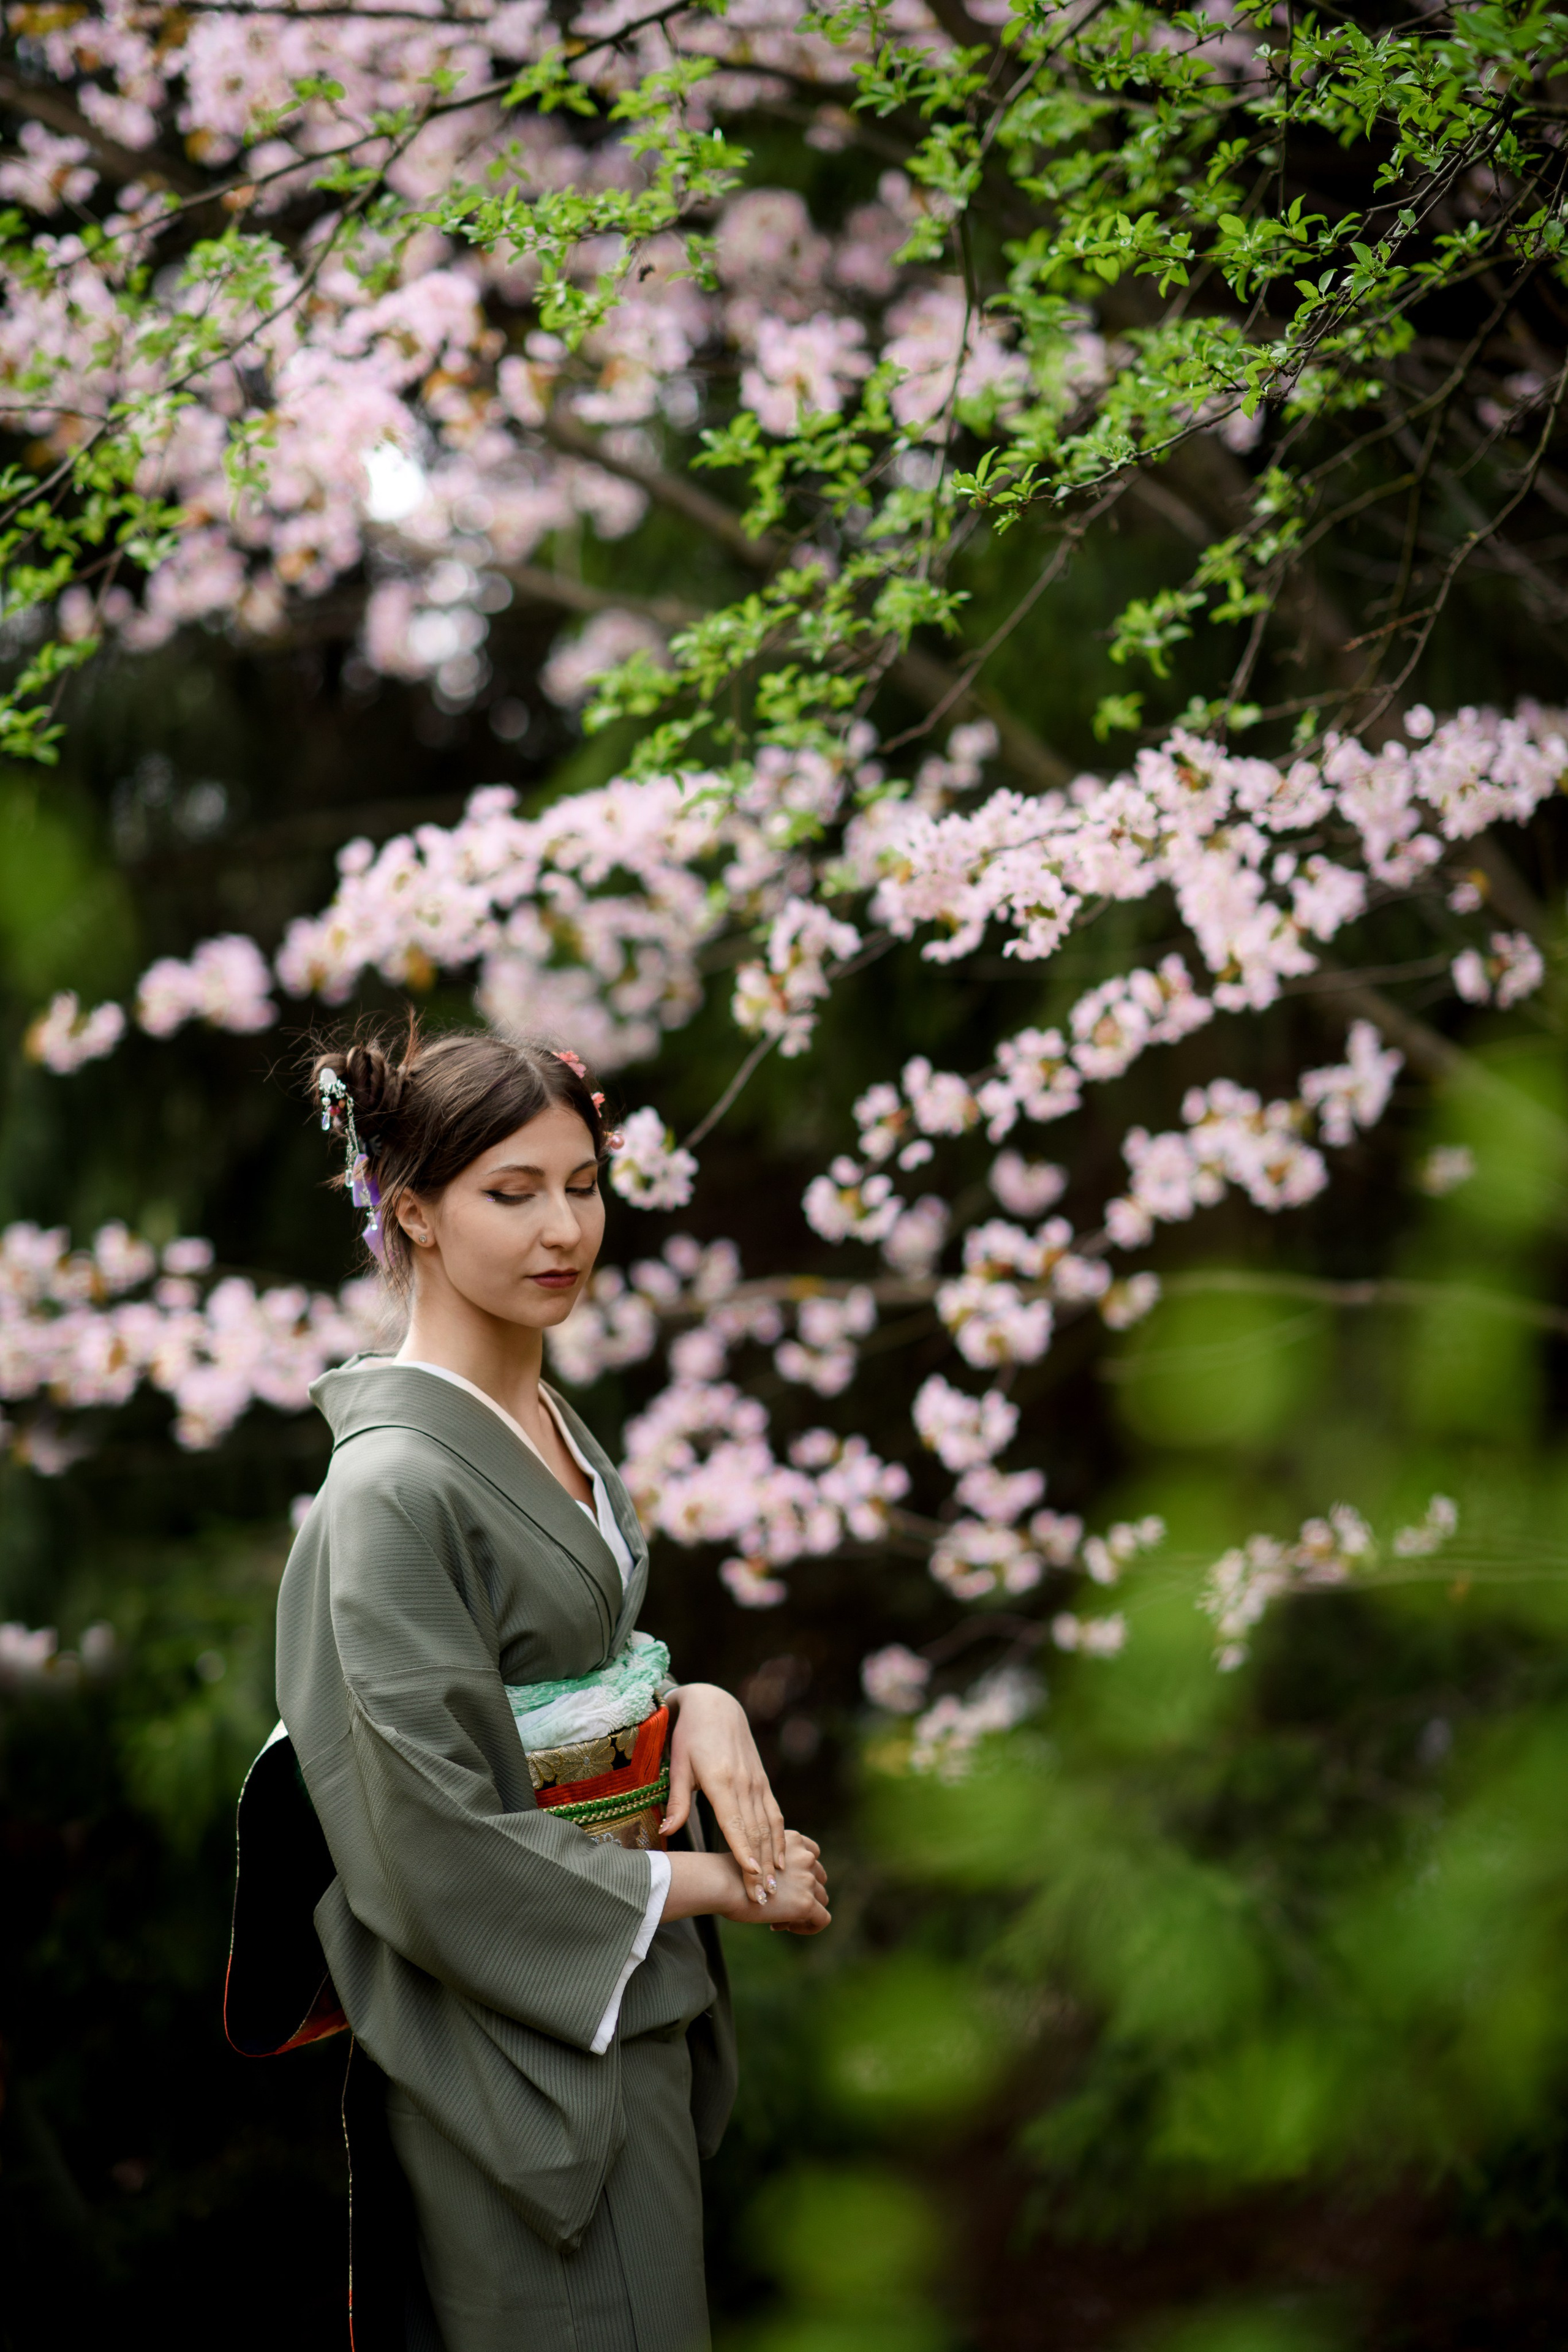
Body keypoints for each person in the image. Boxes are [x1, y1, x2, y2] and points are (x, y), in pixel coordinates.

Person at [232, 1023, 829, 2352]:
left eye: (583, 1184)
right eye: (511, 1192)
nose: (563, 1227)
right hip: (511, 2055)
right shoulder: (389, 1493)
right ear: (413, 1215)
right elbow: (426, 1838)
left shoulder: (547, 1427)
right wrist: (724, 1883)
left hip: (617, 2009)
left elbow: (591, 1678)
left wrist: (704, 1711)